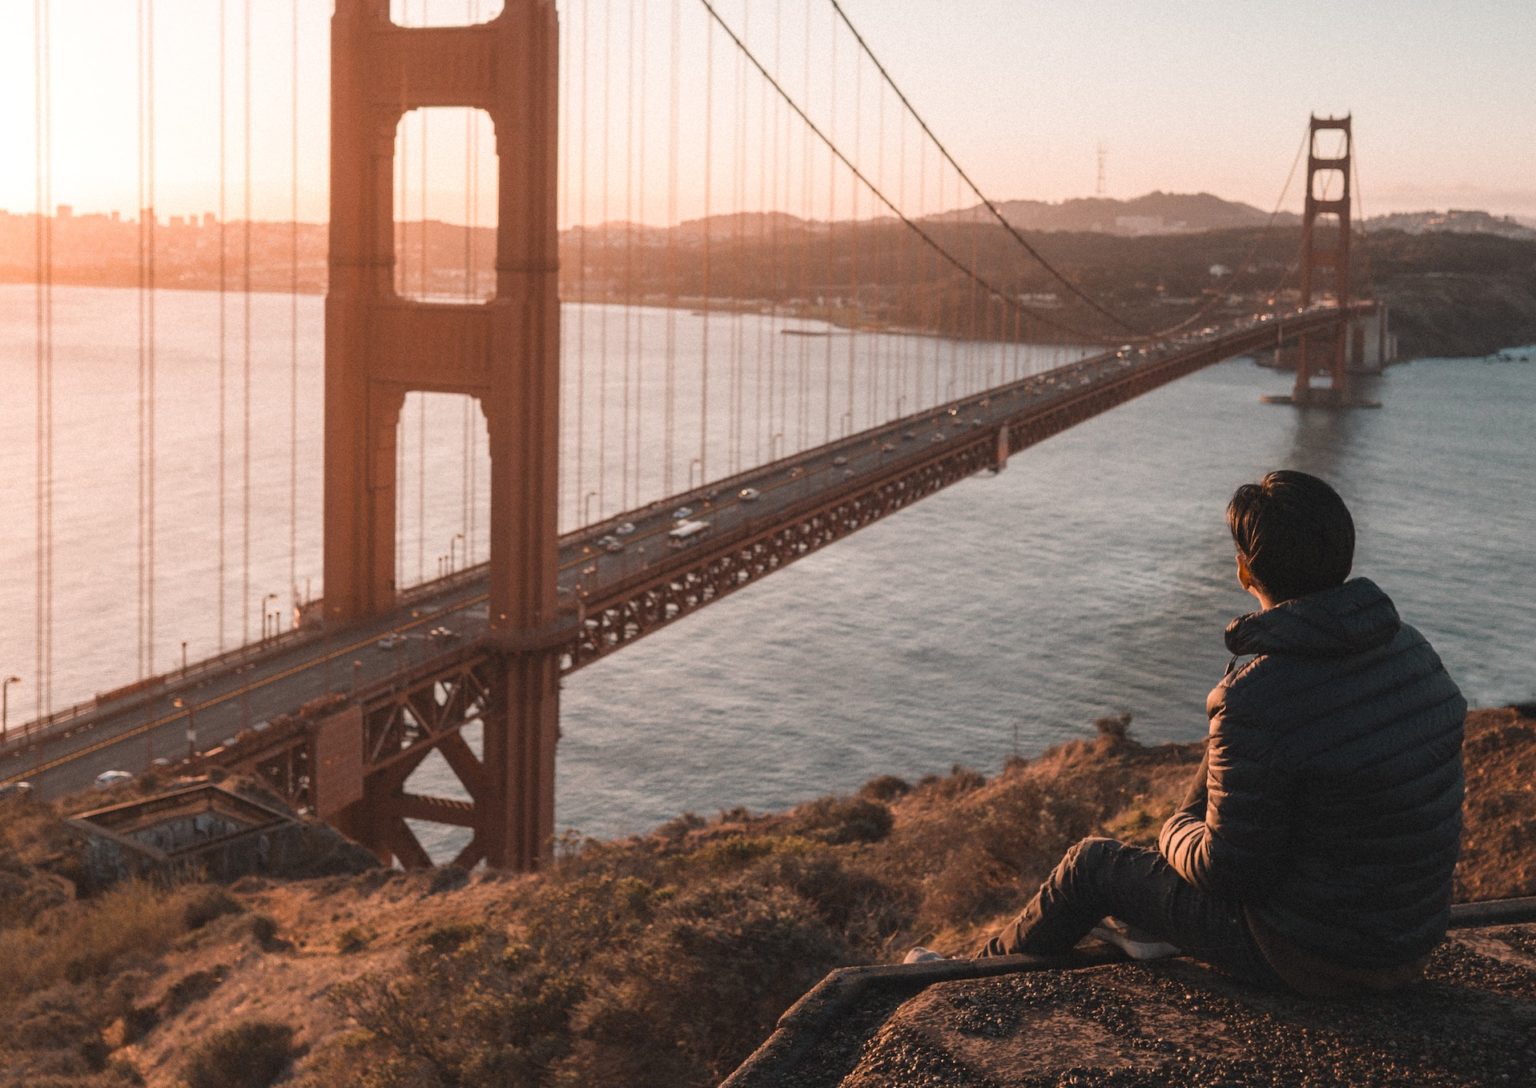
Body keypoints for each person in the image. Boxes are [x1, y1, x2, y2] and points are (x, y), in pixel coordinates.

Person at [965, 470, 1466, 996]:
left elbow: (1226, 873)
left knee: (1090, 865)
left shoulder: (1256, 694)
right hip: (1408, 945)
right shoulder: (1413, 650)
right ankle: (1149, 924)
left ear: (1244, 570)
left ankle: (959, 983)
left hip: (1311, 955)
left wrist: (1171, 829)